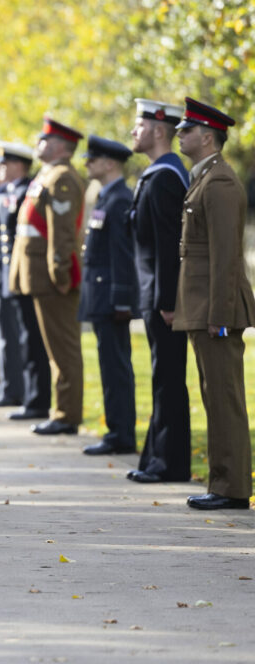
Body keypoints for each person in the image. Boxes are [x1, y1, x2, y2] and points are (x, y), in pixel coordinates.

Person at [173, 98, 255, 511]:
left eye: (186, 131)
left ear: (207, 137)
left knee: (224, 397)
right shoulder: (204, 177)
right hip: (204, 307)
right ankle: (223, 482)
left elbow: (225, 256)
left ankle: (232, 487)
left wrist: (220, 316)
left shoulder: (219, 182)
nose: (180, 135)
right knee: (215, 395)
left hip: (216, 310)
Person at [125, 99, 192, 484]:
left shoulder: (167, 176)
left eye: (139, 125)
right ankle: (156, 458)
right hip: (152, 293)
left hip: (161, 298)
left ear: (158, 130)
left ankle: (169, 463)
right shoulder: (157, 173)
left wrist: (168, 301)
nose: (134, 132)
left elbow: (170, 245)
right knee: (161, 376)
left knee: (167, 377)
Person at [9, 117, 86, 436]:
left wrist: (60, 273)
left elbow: (62, 233)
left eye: (44, 139)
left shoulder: (63, 177)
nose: (38, 143)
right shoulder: (50, 174)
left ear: (59, 146)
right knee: (53, 347)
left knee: (63, 348)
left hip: (53, 277)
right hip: (37, 273)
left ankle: (67, 413)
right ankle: (60, 409)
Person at [78, 135, 139, 455]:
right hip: (101, 294)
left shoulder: (118, 199)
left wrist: (121, 299)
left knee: (116, 367)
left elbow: (122, 254)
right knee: (110, 365)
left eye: (93, 158)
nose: (87, 162)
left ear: (110, 163)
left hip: (110, 297)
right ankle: (118, 430)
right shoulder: (107, 196)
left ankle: (121, 434)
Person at [0, 142, 51, 420]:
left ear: (18, 165)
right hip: (1, 275)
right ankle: (12, 388)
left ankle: (22, 392)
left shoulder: (24, 192)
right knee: (7, 338)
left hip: (15, 276)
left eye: (4, 164)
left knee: (22, 339)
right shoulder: (6, 193)